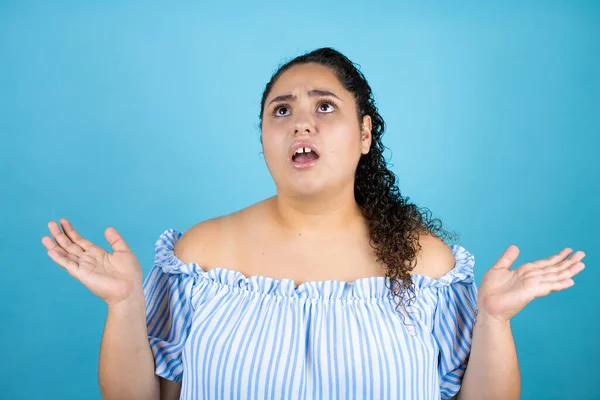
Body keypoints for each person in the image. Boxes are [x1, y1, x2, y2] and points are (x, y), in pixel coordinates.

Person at [42, 47, 586, 400]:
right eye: (281, 110)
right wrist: (125, 305)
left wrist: (492, 321)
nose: (301, 121)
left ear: (365, 134)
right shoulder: (200, 254)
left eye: (325, 107)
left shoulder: (427, 263)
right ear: (263, 140)